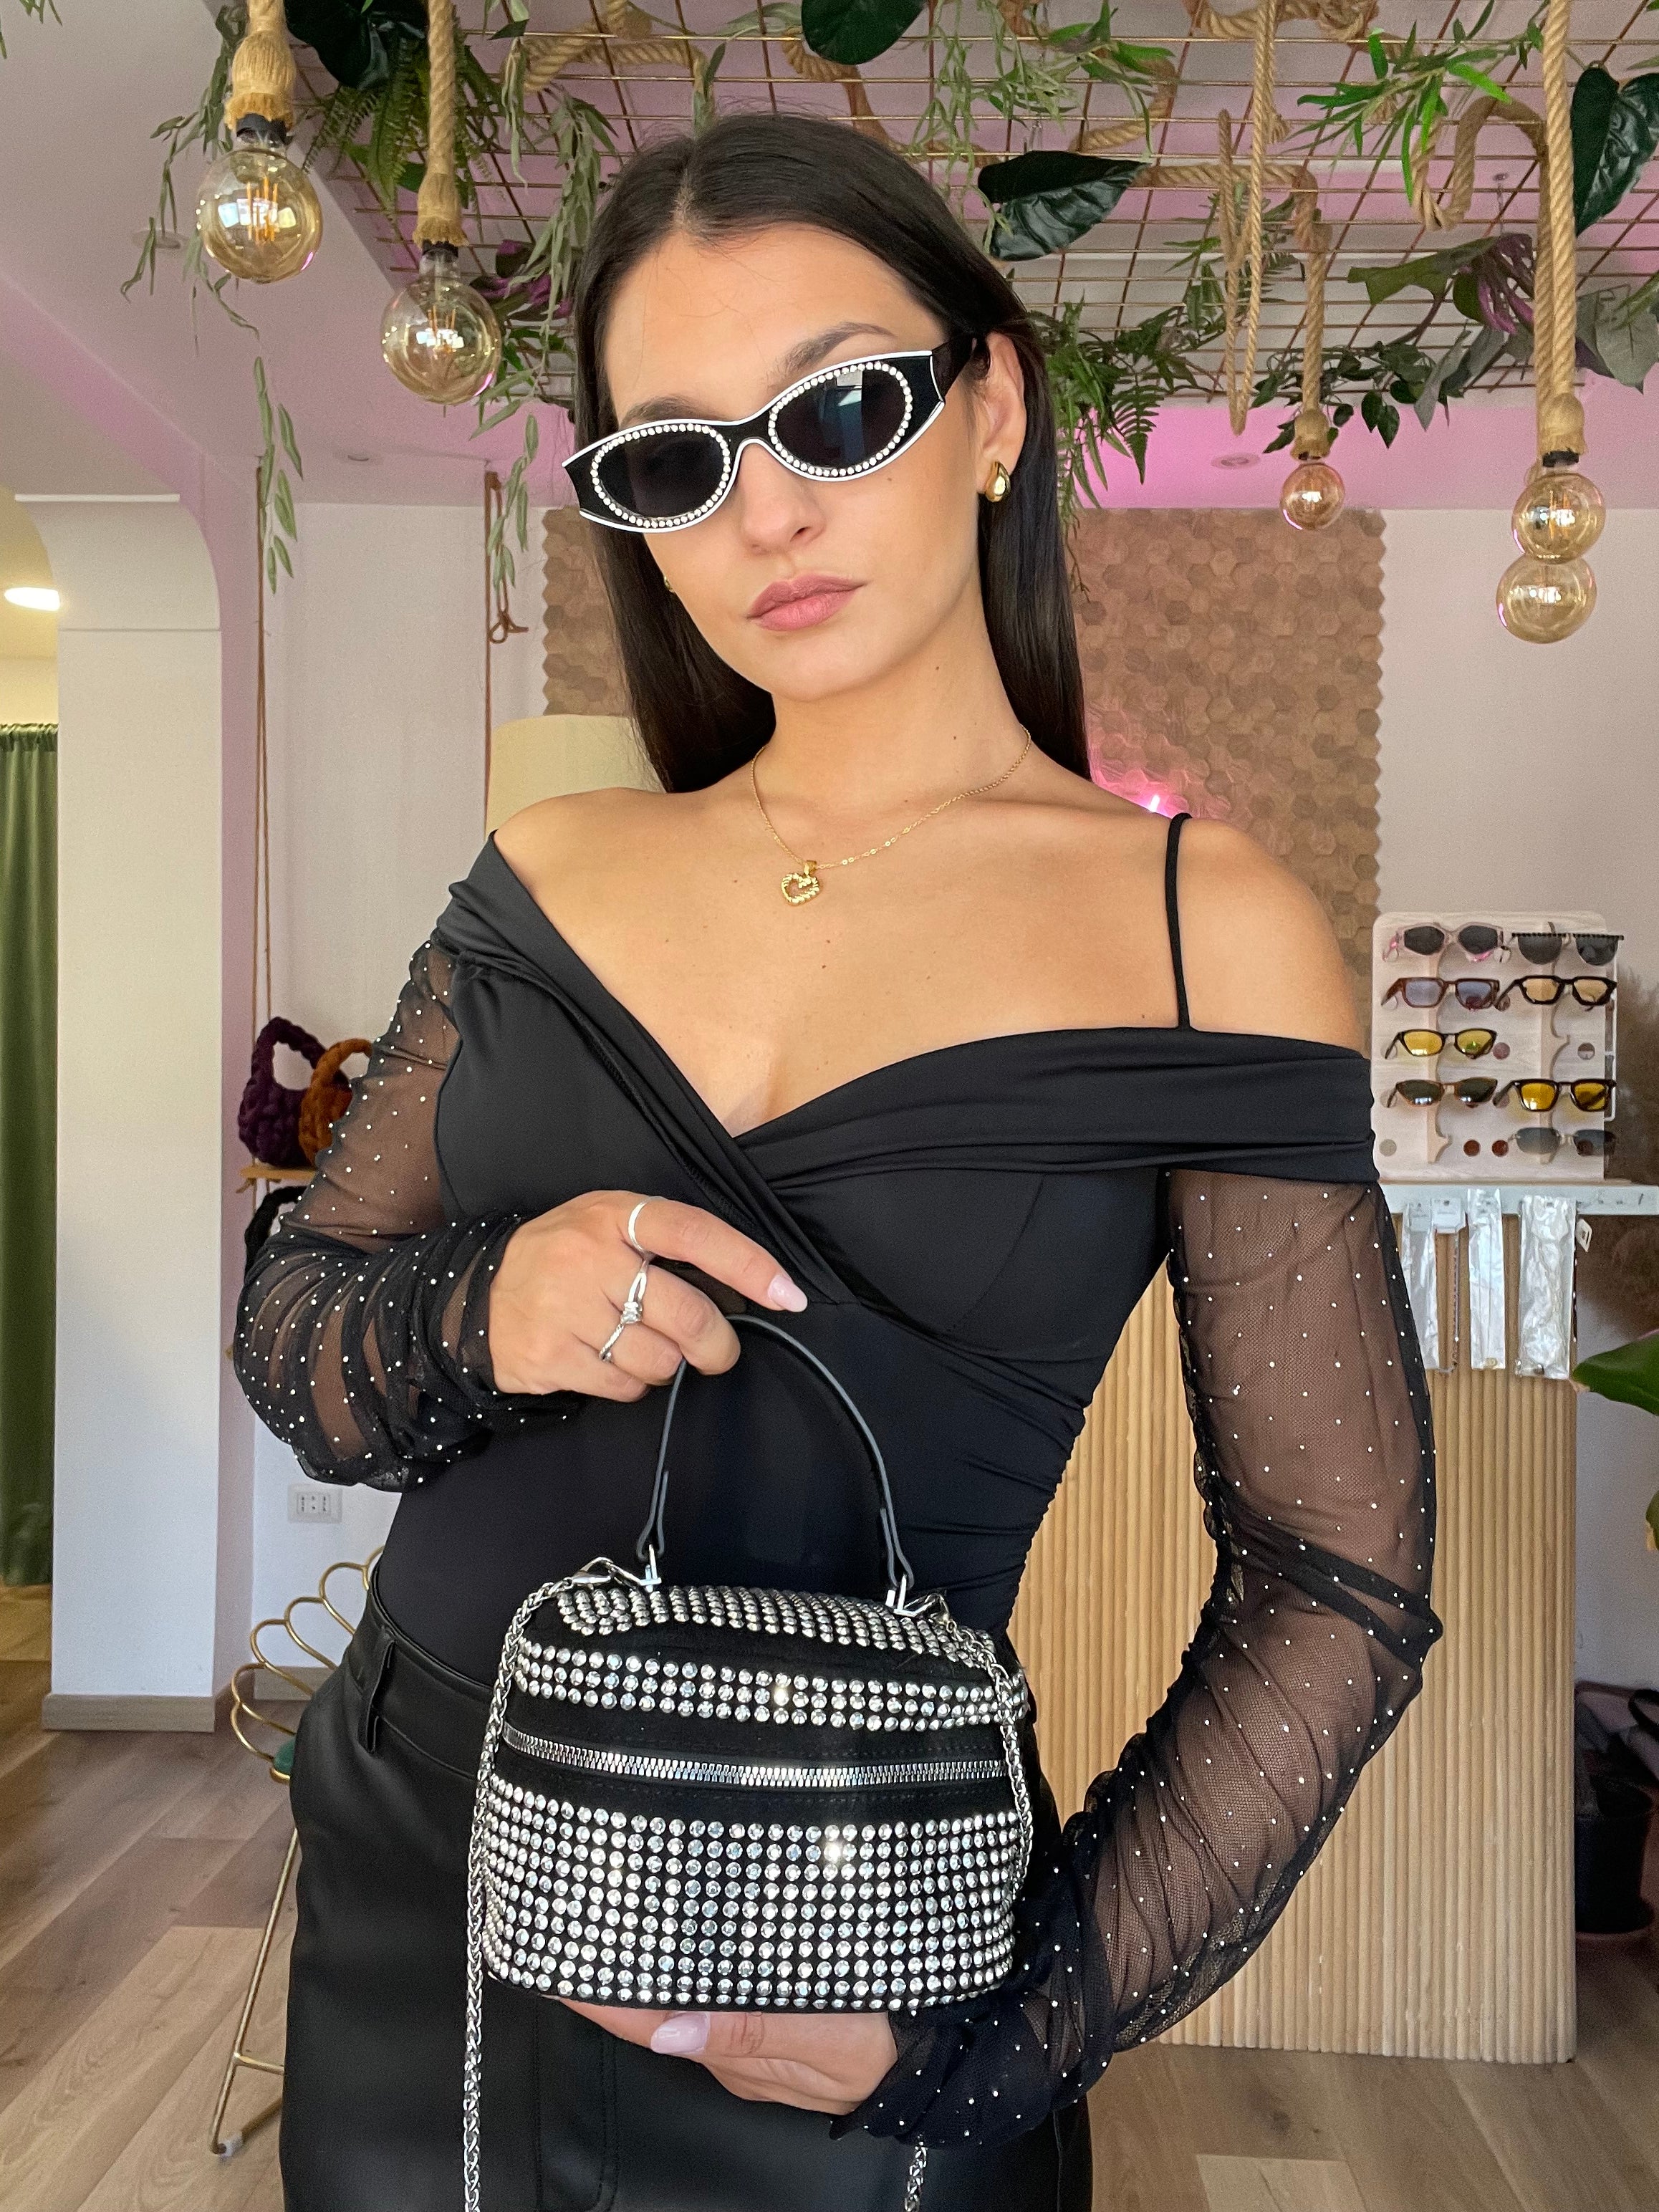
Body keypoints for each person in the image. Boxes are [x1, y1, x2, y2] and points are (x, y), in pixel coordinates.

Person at [234, 109, 1443, 2212]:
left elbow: (1336, 1570)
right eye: (675, 460)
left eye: (838, 408)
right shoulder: (549, 869)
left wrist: (1012, 2022)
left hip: (857, 1916)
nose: (765, 511)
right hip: (428, 1859)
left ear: (993, 410)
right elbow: (300, 1336)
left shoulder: (1201, 927)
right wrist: (487, 1307)